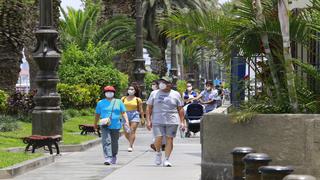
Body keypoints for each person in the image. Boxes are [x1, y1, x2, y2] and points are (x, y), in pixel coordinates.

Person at [146, 77, 185, 167]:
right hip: (157, 120)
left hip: (172, 120)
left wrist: (182, 122)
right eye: (161, 82)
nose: (162, 84)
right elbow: (149, 107)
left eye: (165, 82)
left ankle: (166, 159)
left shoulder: (176, 94)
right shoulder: (154, 93)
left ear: (170, 84)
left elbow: (180, 108)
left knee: (169, 139)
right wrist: (148, 120)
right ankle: (158, 153)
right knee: (158, 137)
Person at [94, 86, 129, 165]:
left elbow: (123, 112)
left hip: (116, 125)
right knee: (106, 141)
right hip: (104, 125)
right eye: (107, 91)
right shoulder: (100, 103)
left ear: (114, 93)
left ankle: (113, 155)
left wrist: (126, 121)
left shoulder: (118, 102)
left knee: (114, 141)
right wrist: (95, 124)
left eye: (111, 91)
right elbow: (97, 114)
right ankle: (108, 157)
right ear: (104, 93)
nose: (109, 93)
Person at [121, 84, 144, 152]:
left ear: (135, 91)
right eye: (129, 89)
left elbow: (141, 109)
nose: (130, 91)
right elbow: (120, 108)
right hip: (125, 115)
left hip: (134, 114)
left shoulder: (138, 99)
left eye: (132, 89)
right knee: (126, 132)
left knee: (132, 130)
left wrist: (142, 118)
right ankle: (131, 141)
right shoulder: (123, 98)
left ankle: (130, 145)